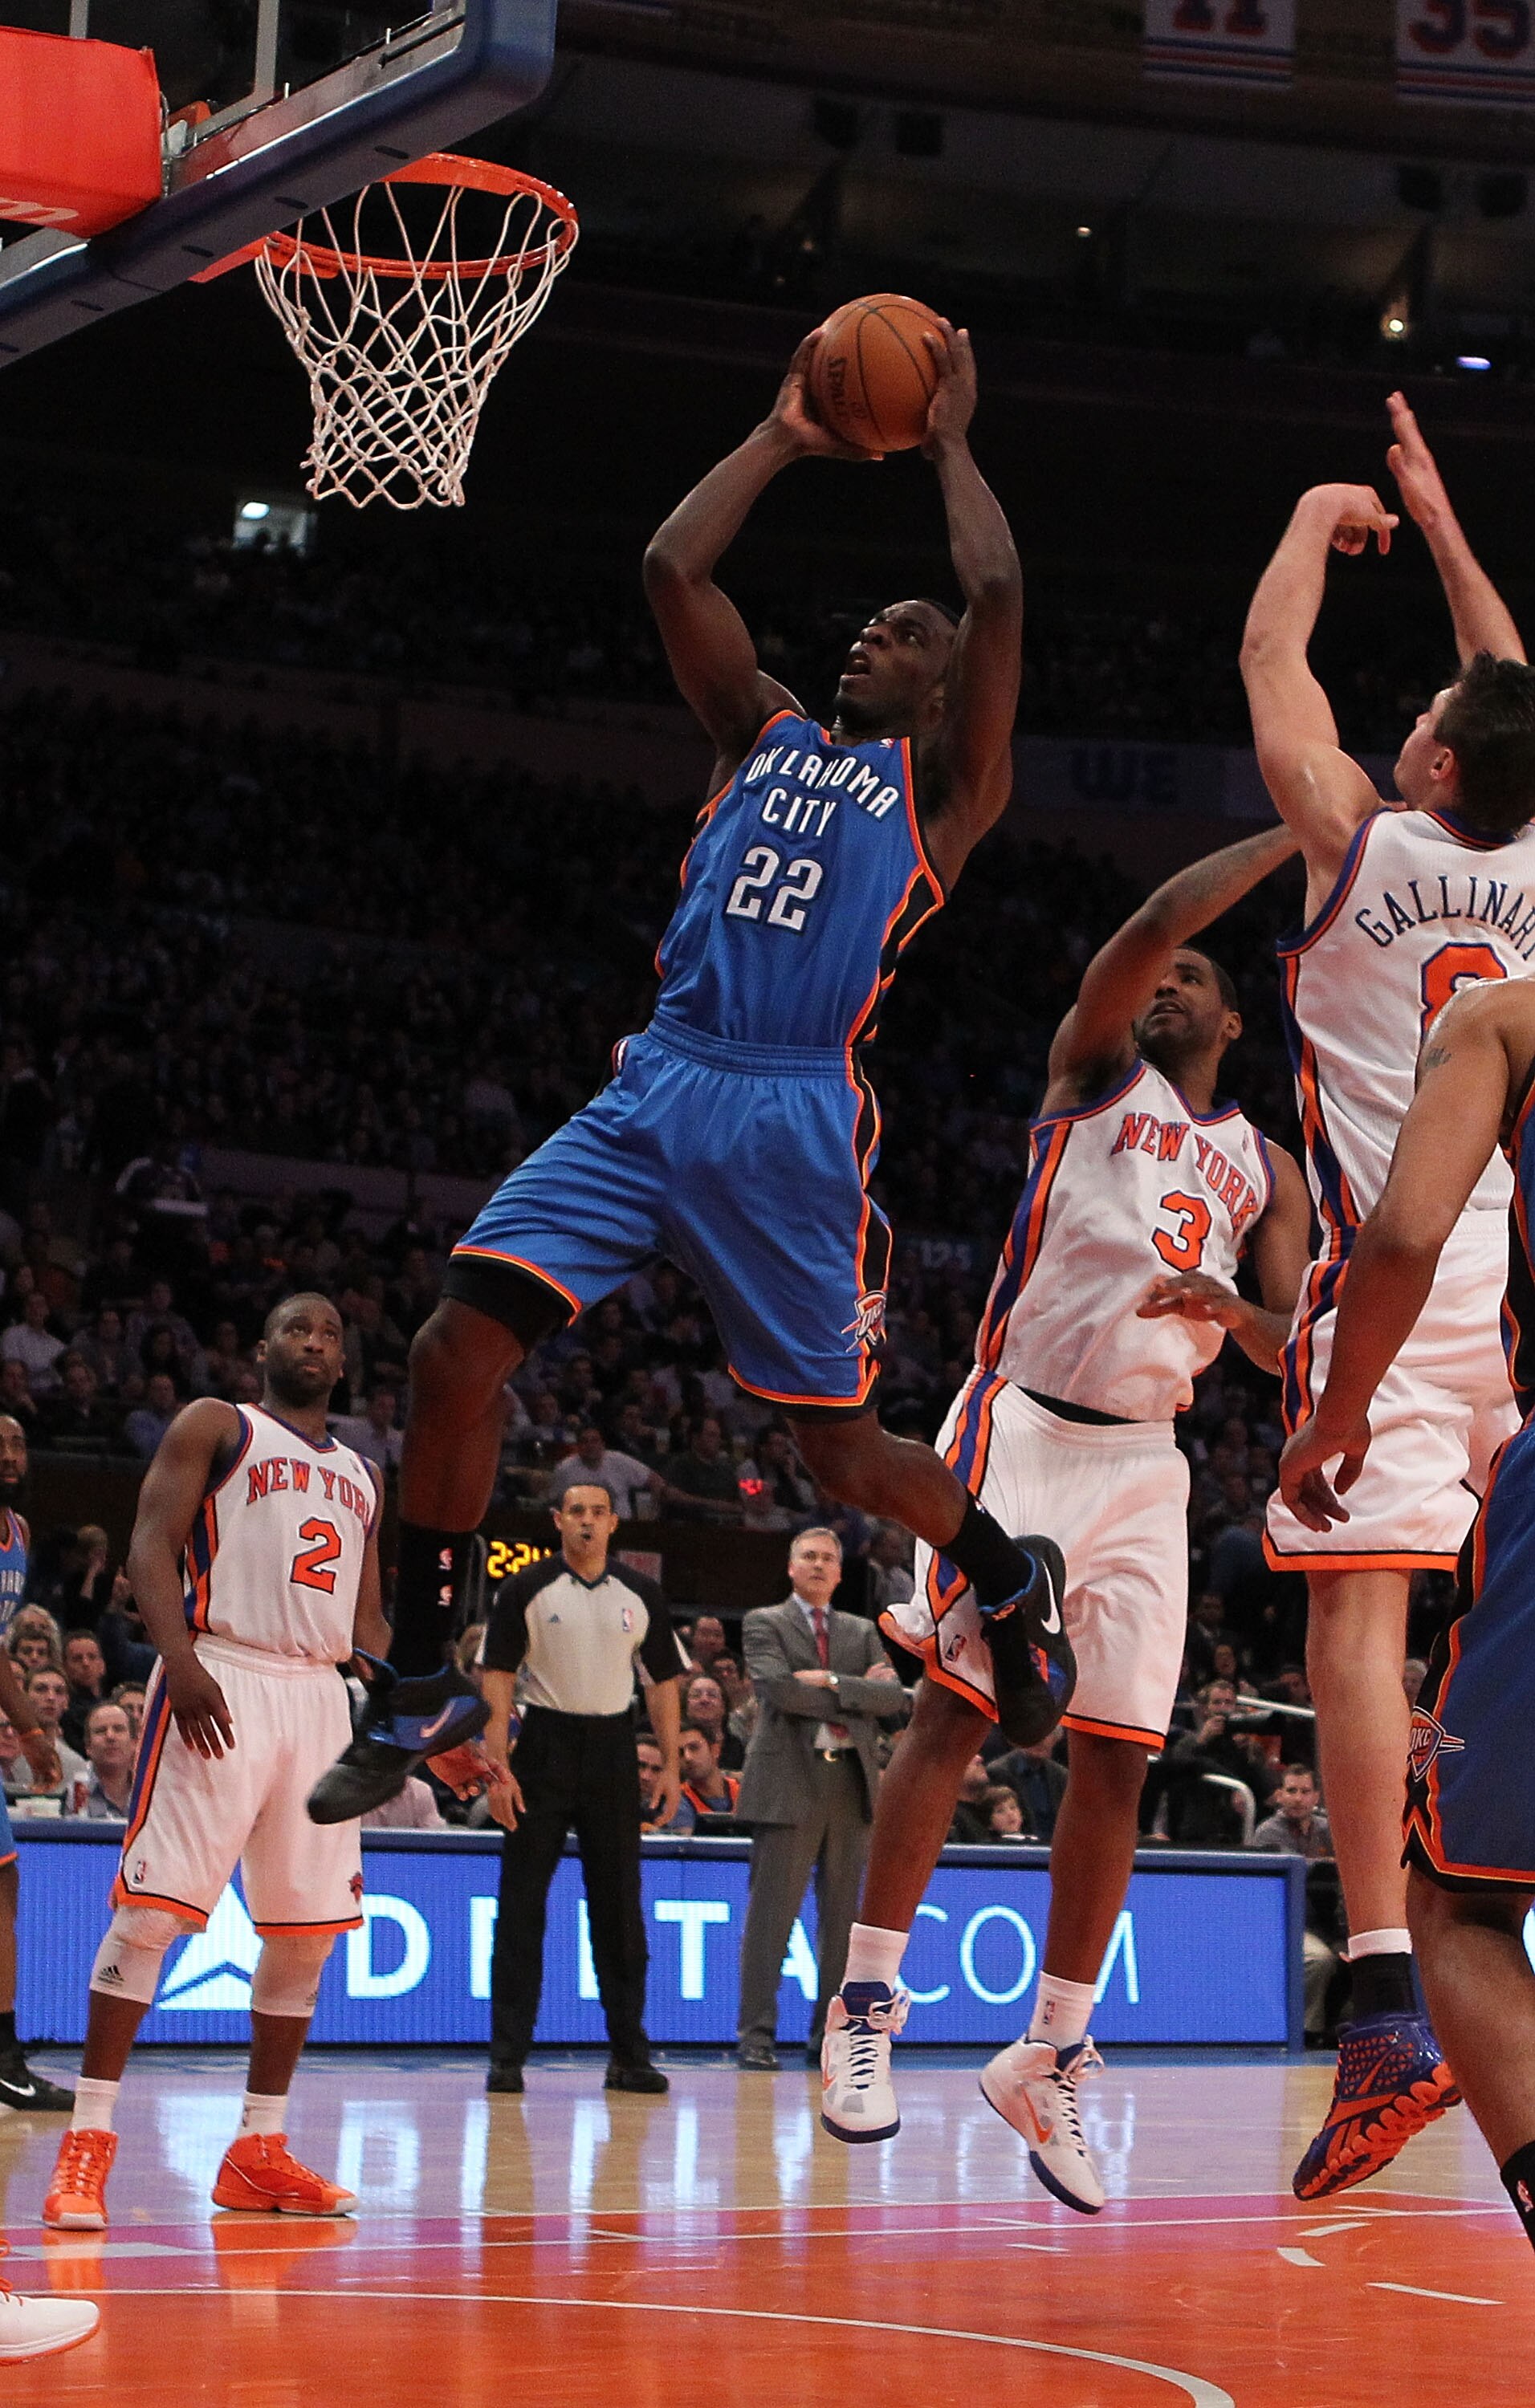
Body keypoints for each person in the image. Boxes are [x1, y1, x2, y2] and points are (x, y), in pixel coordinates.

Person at [310, 318, 1071, 1824]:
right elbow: (673, 567)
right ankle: (422, 1678)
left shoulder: (942, 791)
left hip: (792, 1112)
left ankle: (1002, 1575)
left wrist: (947, 441)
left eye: (903, 635)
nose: (874, 637)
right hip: (659, 1080)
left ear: (943, 691)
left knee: (840, 1455)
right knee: (452, 1352)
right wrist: (785, 434)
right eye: (871, 624)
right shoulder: (759, 733)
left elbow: (995, 592)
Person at [836, 829, 1311, 2181]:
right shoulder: (1094, 1073)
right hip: (1025, 1424)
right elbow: (1147, 921)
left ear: (1234, 1021)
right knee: (958, 1708)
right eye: (1160, 975)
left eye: (1193, 981)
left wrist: (1231, 1307)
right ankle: (862, 2006)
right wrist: (1296, 822)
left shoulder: (1267, 1168)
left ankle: (1047, 2055)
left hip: (1148, 1462)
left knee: (1117, 1757)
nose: (1166, 985)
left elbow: (1293, 1341)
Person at [1241, 392, 1535, 2199]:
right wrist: (1438, 528)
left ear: (1423, 761)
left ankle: (1378, 1999)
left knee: (1354, 1616)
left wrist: (1315, 511)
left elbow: (1270, 661)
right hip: (1520, 1289)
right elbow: (1511, 687)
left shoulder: (1353, 835)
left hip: (1394, 1269)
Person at [42, 1295, 401, 2232]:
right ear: (263, 1348)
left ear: (345, 1361)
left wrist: (415, 1720)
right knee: (151, 1915)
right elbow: (148, 1548)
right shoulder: (218, 1424)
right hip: (222, 1669)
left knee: (304, 1937)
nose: (313, 1342)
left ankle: (257, 2150)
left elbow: (367, 1623)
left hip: (321, 1697)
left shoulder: (364, 1473)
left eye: (329, 1334)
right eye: (297, 1329)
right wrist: (181, 1658)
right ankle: (88, 2143)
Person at [1276, 972, 1535, 2241]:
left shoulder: (1501, 1017)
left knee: (1462, 1907)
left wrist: (1337, 1412)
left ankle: (1384, 2003)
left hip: (1466, 1361)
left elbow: (1400, 1240)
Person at [477, 1479, 684, 2096]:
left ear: (614, 1523)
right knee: (521, 1905)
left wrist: (671, 1766)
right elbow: (497, 1679)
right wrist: (497, 1767)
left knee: (619, 1908)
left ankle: (629, 2056)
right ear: (558, 1520)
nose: (587, 1522)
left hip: (614, 1749)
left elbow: (663, 1682)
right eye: (576, 1512)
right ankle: (507, 2056)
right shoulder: (525, 1588)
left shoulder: (641, 1592)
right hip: (543, 1745)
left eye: (598, 1512)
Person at [735, 1527, 908, 2071]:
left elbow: (892, 1698)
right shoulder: (763, 1621)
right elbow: (779, 1689)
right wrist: (856, 1692)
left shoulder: (862, 1629)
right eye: (808, 1556)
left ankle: (829, 2037)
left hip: (851, 1783)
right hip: (788, 1781)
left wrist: (830, 1681)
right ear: (791, 1567)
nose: (817, 1564)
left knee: (844, 1927)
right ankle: (756, 2035)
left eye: (827, 1558)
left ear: (839, 1572)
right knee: (772, 1920)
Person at [0, 1418, 75, 2110]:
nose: (9, 1454)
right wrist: (28, 1726)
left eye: (19, 1443)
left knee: (5, 1884)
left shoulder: (18, 1532)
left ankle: (4, 2057)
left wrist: (31, 1731)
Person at [546, 1424, 665, 1522]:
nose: (590, 1446)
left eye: (595, 1441)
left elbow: (656, 1481)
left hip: (620, 1528)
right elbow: (553, 1503)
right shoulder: (564, 1469)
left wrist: (652, 1516)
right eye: (584, 1441)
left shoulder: (620, 1461)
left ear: (603, 1444)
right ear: (578, 1446)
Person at [65, 1702, 135, 1820]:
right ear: (88, 1747)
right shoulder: (74, 1791)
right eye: (101, 1731)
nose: (110, 1736)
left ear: (134, 1743)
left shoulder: (151, 1791)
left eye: (118, 1729)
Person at [678, 1722, 739, 1818]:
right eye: (680, 1752)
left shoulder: (742, 1791)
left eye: (694, 1748)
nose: (688, 1757)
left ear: (715, 1750)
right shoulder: (677, 1801)